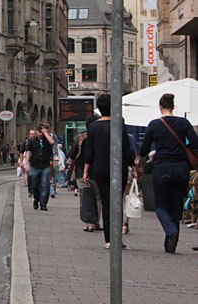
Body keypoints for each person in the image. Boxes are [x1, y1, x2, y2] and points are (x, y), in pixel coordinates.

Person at [137, 92, 198, 254]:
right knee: (175, 206)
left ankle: (171, 232)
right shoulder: (184, 123)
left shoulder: (154, 125)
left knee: (161, 206)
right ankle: (171, 244)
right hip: (182, 168)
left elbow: (143, 149)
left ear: (160, 107)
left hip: (162, 167)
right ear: (173, 106)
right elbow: (195, 143)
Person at [83, 94, 135, 249]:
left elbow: (90, 151)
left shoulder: (93, 127)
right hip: (119, 168)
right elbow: (127, 148)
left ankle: (109, 239)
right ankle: (117, 238)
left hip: (100, 169)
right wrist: (133, 166)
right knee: (117, 203)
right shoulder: (119, 124)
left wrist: (86, 170)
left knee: (106, 203)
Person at [24, 124, 55, 211]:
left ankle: (43, 204)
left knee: (45, 185)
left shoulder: (47, 140)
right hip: (34, 166)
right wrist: (27, 164)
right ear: (37, 132)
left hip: (45, 166)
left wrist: (45, 133)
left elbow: (52, 142)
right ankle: (36, 199)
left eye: (42, 132)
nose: (41, 134)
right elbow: (28, 152)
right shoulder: (32, 141)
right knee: (34, 185)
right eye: (39, 132)